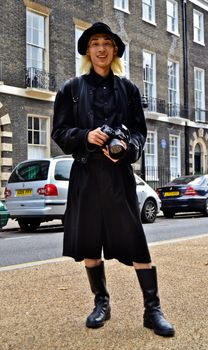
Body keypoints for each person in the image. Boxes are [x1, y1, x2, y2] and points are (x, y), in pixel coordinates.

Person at [52, 22, 175, 337]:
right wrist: (86, 135)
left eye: (107, 42)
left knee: (137, 244)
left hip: (119, 177)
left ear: (116, 50)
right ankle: (101, 303)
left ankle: (152, 310)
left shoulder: (129, 90)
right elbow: (59, 133)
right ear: (88, 50)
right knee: (90, 245)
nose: (102, 48)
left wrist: (127, 148)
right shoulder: (70, 89)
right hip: (86, 175)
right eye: (95, 43)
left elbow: (138, 131)